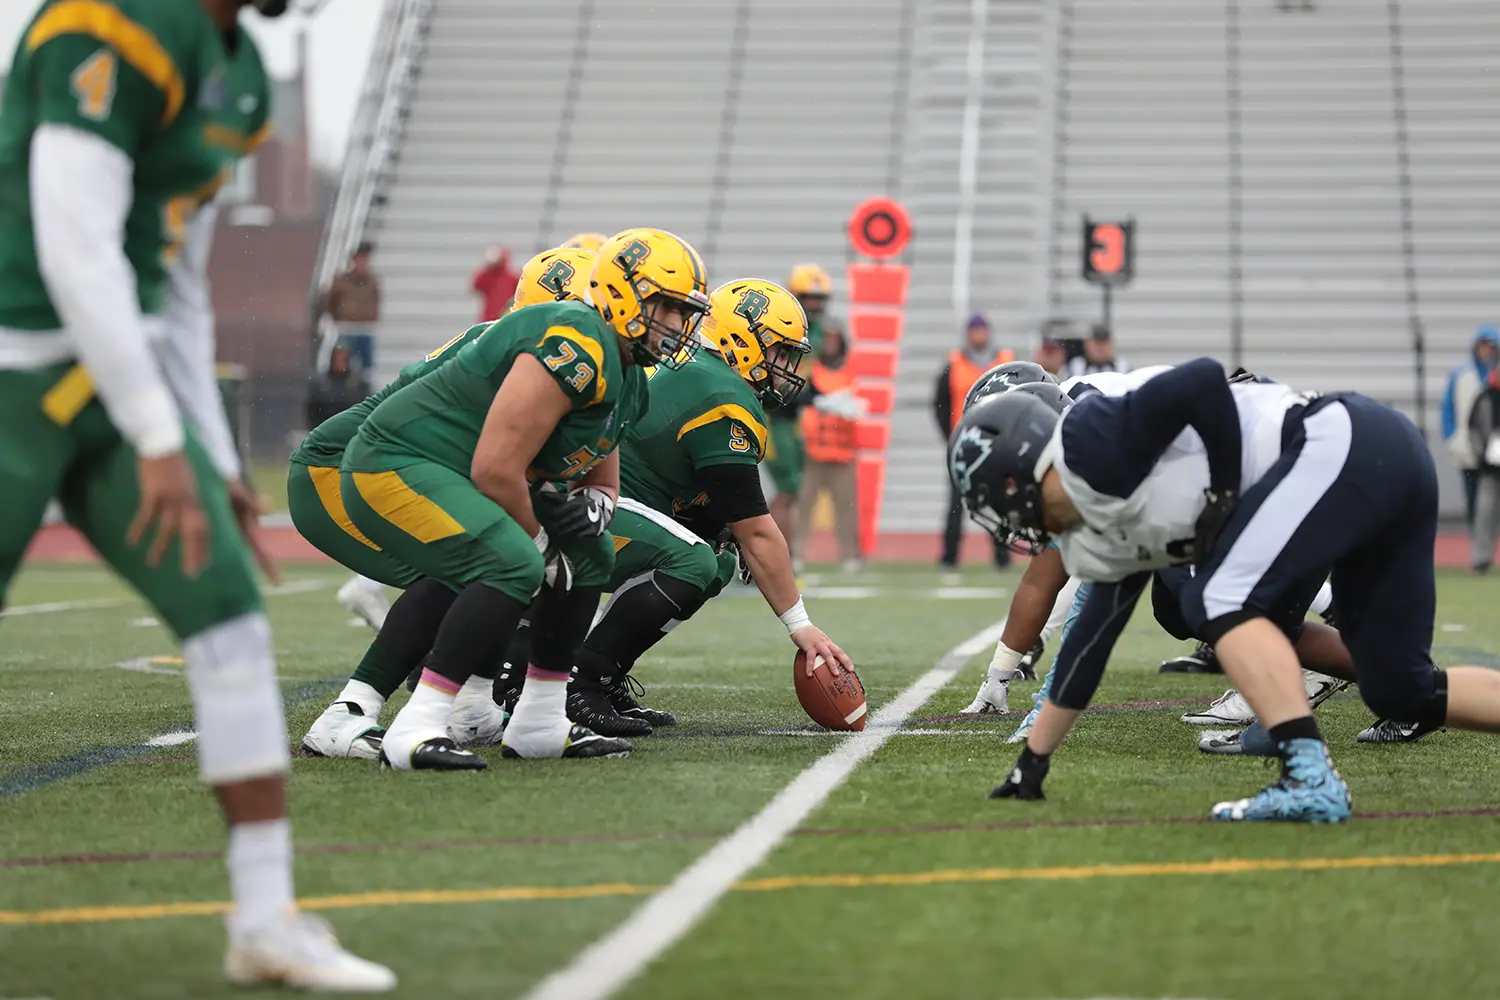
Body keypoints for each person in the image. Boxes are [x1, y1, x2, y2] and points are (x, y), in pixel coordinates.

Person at [0, 0, 392, 989]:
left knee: (229, 624)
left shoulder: (242, 72)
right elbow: (73, 245)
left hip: (111, 389)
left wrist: (211, 455)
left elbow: (173, 282)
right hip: (15, 373)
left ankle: (265, 920)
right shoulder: (108, 23)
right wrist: (161, 433)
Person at [953, 359, 1500, 823]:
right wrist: (1034, 761)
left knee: (1217, 599)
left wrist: (1222, 490)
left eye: (1003, 506)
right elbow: (1089, 643)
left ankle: (1309, 778)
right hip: (1383, 457)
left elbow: (1204, 379)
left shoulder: (1091, 435)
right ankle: (1304, 742)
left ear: (1015, 474)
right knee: (1398, 690)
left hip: (1341, 442)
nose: (1012, 526)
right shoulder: (1095, 525)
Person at [341, 229, 708, 771]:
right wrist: (540, 538)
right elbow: (494, 467)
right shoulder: (577, 340)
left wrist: (588, 517)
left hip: (463, 473)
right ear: (624, 292)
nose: (678, 325)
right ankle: (417, 724)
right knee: (514, 560)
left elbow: (603, 484)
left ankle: (539, 721)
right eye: (668, 307)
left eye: (684, 312)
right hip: (402, 460)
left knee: (589, 554)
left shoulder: (629, 377)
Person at [294, 246, 597, 760]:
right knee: (484, 558)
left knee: (510, 553)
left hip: (401, 466)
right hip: (345, 468)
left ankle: (472, 706)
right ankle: (351, 710)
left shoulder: (542, 355)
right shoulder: (515, 351)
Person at [532, 279, 855, 737]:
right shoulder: (724, 397)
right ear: (742, 342)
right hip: (575, 506)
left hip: (601, 499)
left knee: (715, 554)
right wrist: (800, 625)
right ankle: (580, 679)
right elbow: (757, 531)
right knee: (695, 559)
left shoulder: (704, 372)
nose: (786, 368)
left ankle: (600, 673)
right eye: (779, 352)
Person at [933, 314, 1015, 576]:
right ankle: (949, 557)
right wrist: (950, 435)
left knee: (999, 502)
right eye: (974, 331)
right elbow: (941, 403)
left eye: (982, 331)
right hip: (965, 445)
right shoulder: (954, 363)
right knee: (957, 504)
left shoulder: (1005, 361)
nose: (978, 336)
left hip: (998, 443)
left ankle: (1003, 557)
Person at [765, 262, 832, 564]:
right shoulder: (780, 327)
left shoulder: (815, 330)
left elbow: (803, 374)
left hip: (791, 418)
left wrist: (817, 397)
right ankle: (773, 554)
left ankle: (777, 553)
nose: (814, 305)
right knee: (787, 488)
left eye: (818, 299)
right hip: (772, 415)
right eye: (808, 298)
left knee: (793, 489)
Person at [795, 320, 866, 572]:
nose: (830, 344)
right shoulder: (811, 371)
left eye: (834, 338)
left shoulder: (849, 371)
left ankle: (850, 555)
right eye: (826, 338)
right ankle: (797, 554)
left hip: (843, 452)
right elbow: (801, 400)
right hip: (815, 451)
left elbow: (857, 403)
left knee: (846, 509)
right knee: (804, 506)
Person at [1441, 325, 1498, 533]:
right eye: (1482, 346)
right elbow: (1448, 407)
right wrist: (1452, 437)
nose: (1486, 351)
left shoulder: (1496, 375)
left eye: (1490, 346)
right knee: (1472, 494)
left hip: (1495, 445)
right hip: (1468, 444)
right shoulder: (1461, 375)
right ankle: (1477, 542)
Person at [320, 241, 380, 375]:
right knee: (344, 361)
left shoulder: (372, 280)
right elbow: (331, 301)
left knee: (366, 365)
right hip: (347, 327)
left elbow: (376, 301)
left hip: (365, 328)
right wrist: (339, 317)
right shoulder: (342, 280)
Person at [1466, 365, 1500, 573]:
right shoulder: (1485, 397)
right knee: (1485, 512)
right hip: (1490, 467)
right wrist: (1482, 453)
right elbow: (1473, 428)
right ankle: (1481, 559)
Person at [470, 244, 519, 322]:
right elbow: (476, 285)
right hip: (489, 318)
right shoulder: (487, 276)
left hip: (506, 318)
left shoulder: (511, 278)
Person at [1063, 324, 1128, 378]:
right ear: (1086, 344)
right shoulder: (1075, 367)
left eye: (1104, 344)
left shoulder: (1123, 367)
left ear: (1112, 345)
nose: (1101, 348)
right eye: (1097, 344)